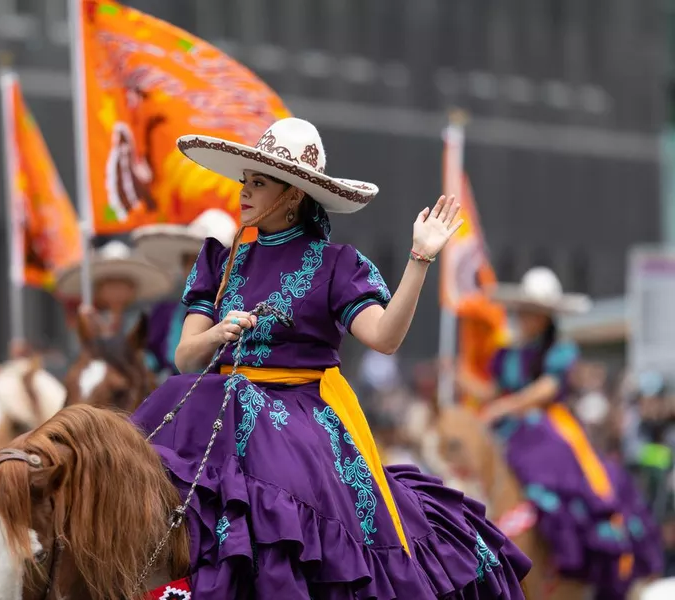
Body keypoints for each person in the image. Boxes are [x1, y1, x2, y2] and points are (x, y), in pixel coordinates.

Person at [131, 117, 530, 598]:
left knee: (277, 491)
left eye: (259, 182)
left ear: (293, 194)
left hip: (300, 410)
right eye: (245, 181)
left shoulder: (338, 264)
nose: (244, 192)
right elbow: (185, 360)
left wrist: (419, 260)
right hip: (217, 400)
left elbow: (384, 337)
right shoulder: (221, 258)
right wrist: (218, 331)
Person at [460, 266, 663, 597]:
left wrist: (506, 407)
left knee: (555, 476)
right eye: (526, 311)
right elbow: (494, 392)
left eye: (535, 313)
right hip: (510, 426)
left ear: (546, 317)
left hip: (547, 426)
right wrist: (463, 379)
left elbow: (545, 389)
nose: (527, 318)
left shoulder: (560, 351)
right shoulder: (507, 354)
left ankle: (564, 557)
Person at [132, 209, 238, 378]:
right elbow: (147, 368)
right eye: (190, 261)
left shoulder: (243, 308)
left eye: (203, 261)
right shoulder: (164, 314)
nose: (196, 269)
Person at [55, 240, 173, 336]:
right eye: (110, 283)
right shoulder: (88, 320)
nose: (116, 291)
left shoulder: (144, 321)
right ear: (98, 289)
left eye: (122, 283)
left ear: (132, 289)